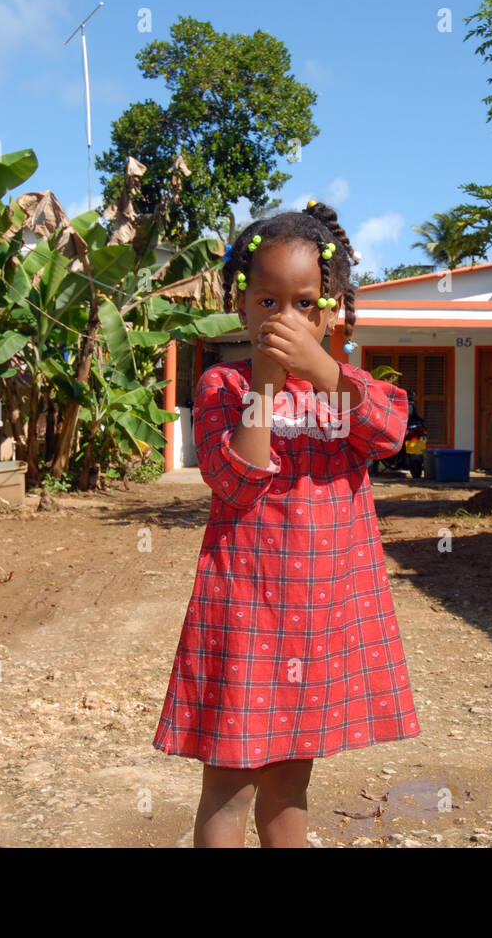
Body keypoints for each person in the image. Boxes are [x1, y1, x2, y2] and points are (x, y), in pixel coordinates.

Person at [153, 201, 421, 847]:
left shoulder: (348, 387)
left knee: (290, 778)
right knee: (230, 777)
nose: (287, 318)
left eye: (304, 302)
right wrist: (266, 388)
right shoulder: (223, 385)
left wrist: (322, 372)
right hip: (242, 608)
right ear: (241, 307)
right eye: (269, 302)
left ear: (330, 309)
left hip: (323, 611)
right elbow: (233, 478)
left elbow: (388, 434)